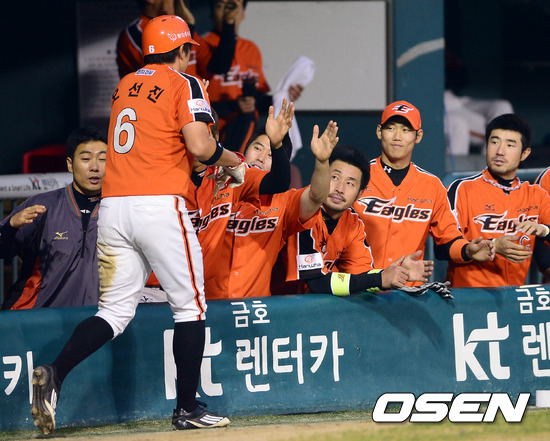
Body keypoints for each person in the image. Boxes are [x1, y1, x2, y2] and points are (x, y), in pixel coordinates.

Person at [30, 15, 244, 434]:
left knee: (113, 312)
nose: (190, 57)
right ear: (181, 50)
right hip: (158, 205)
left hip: (113, 209)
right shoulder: (185, 83)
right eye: (188, 50)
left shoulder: (125, 83)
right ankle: (187, 409)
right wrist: (234, 160)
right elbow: (200, 146)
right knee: (191, 307)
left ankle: (56, 373)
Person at [352, 101, 495, 287]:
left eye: (405, 130)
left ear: (418, 136)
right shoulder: (357, 176)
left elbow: (447, 239)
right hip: (359, 288)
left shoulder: (431, 186)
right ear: (379, 132)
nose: (397, 137)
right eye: (390, 128)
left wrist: (467, 250)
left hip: (407, 292)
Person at [271, 145, 434, 296]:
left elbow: (361, 274)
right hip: (271, 306)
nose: (340, 189)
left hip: (304, 308)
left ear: (360, 194)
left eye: (350, 183)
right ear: (321, 177)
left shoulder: (353, 223)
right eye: (335, 177)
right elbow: (317, 282)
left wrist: (395, 273)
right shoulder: (302, 212)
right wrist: (380, 279)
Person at [204, 119, 339, 299]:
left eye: (270, 155)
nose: (260, 157)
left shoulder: (285, 202)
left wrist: (322, 162)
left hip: (256, 307)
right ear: (245, 150)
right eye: (257, 148)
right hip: (207, 304)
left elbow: (316, 197)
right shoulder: (213, 188)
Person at [0, 127, 106, 310]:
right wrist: (11, 226)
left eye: (103, 159)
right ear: (70, 164)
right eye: (86, 159)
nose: (95, 167)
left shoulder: (119, 210)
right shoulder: (43, 206)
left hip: (97, 320)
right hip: (40, 316)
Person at [446, 114, 550, 287]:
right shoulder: (461, 189)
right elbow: (443, 246)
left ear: (524, 154)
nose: (500, 151)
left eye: (510, 145)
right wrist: (491, 245)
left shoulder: (536, 195)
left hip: (514, 297)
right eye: (494, 142)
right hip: (467, 297)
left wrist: (545, 230)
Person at [200, 0, 304, 152]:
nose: (228, 11)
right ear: (211, 13)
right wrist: (233, 105)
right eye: (220, 6)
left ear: (243, 13)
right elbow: (192, 100)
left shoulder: (251, 49)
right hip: (210, 134)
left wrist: (284, 97)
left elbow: (258, 101)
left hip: (245, 136)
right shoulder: (201, 45)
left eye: (233, 6)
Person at [115, 0, 238, 79]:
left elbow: (218, 66)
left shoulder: (179, 28)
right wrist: (189, 28)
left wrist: (228, 22)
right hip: (158, 111)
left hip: (189, 109)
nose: (180, 2)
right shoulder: (137, 32)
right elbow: (167, 71)